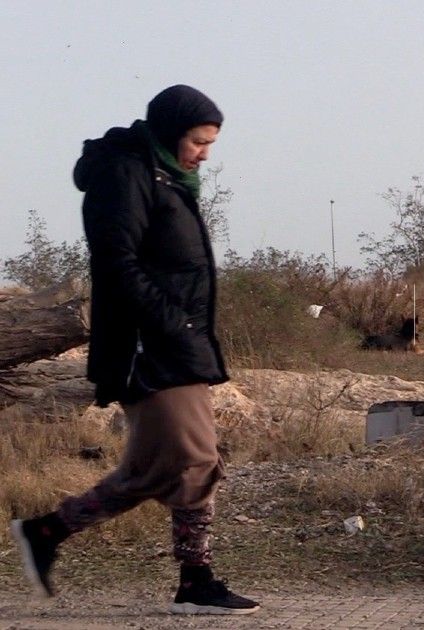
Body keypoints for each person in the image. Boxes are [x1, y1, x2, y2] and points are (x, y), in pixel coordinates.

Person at [8, 85, 259, 615]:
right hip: (151, 346)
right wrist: (172, 325)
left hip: (176, 341)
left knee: (159, 467)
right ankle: (194, 582)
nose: (205, 153)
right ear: (171, 132)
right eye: (198, 140)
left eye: (210, 143)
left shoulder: (167, 176)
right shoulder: (125, 174)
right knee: (193, 460)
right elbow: (117, 264)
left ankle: (47, 532)